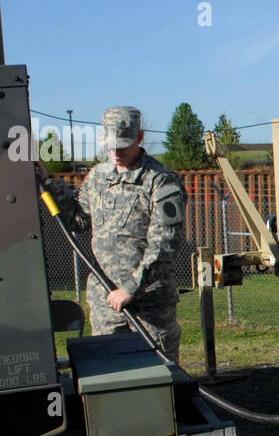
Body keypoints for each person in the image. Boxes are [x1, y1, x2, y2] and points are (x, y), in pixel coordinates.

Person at [36, 106, 186, 360]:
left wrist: (130, 288)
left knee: (157, 381)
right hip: (106, 303)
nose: (115, 151)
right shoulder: (98, 177)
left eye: (123, 145)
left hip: (149, 307)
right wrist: (48, 182)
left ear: (139, 138)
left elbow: (166, 243)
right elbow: (78, 220)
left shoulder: (160, 181)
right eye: (110, 144)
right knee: (109, 379)